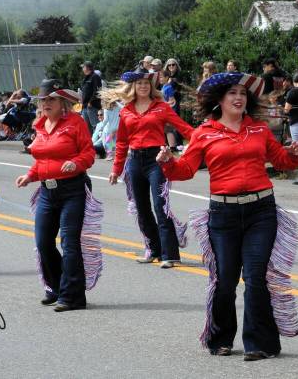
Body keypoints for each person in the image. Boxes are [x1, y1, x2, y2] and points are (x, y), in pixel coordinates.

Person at [157, 72, 298, 360]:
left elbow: (282, 162)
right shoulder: (204, 132)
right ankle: (221, 338)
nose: (239, 98)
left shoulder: (259, 129)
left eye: (242, 93)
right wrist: (168, 163)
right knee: (225, 281)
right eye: (232, 93)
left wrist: (295, 154)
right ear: (220, 100)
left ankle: (259, 343)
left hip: (261, 211)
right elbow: (185, 170)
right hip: (223, 214)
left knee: (256, 277)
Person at [15, 79, 104, 312]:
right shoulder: (40, 125)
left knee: (69, 242)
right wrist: (30, 176)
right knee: (43, 242)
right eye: (43, 100)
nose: (46, 103)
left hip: (72, 189)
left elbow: (88, 154)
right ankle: (55, 288)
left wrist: (75, 163)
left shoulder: (75, 122)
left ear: (62, 102)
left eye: (51, 99)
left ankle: (72, 296)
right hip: (47, 191)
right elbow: (42, 160)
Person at [104, 71, 194, 268]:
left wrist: (204, 141)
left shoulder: (161, 107)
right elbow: (121, 143)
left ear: (151, 87)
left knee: (160, 206)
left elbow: (184, 128)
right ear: (133, 87)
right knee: (142, 209)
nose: (143, 86)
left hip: (157, 160)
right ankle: (153, 250)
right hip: (134, 160)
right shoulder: (126, 111)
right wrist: (116, 170)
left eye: (146, 83)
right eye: (139, 83)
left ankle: (169, 254)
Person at [80, 61, 103, 132]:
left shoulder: (95, 77)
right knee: (87, 128)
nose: (82, 69)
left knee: (96, 126)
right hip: (84, 106)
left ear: (87, 68)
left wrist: (90, 102)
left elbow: (97, 91)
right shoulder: (86, 78)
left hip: (92, 106)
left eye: (83, 67)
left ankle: (97, 139)